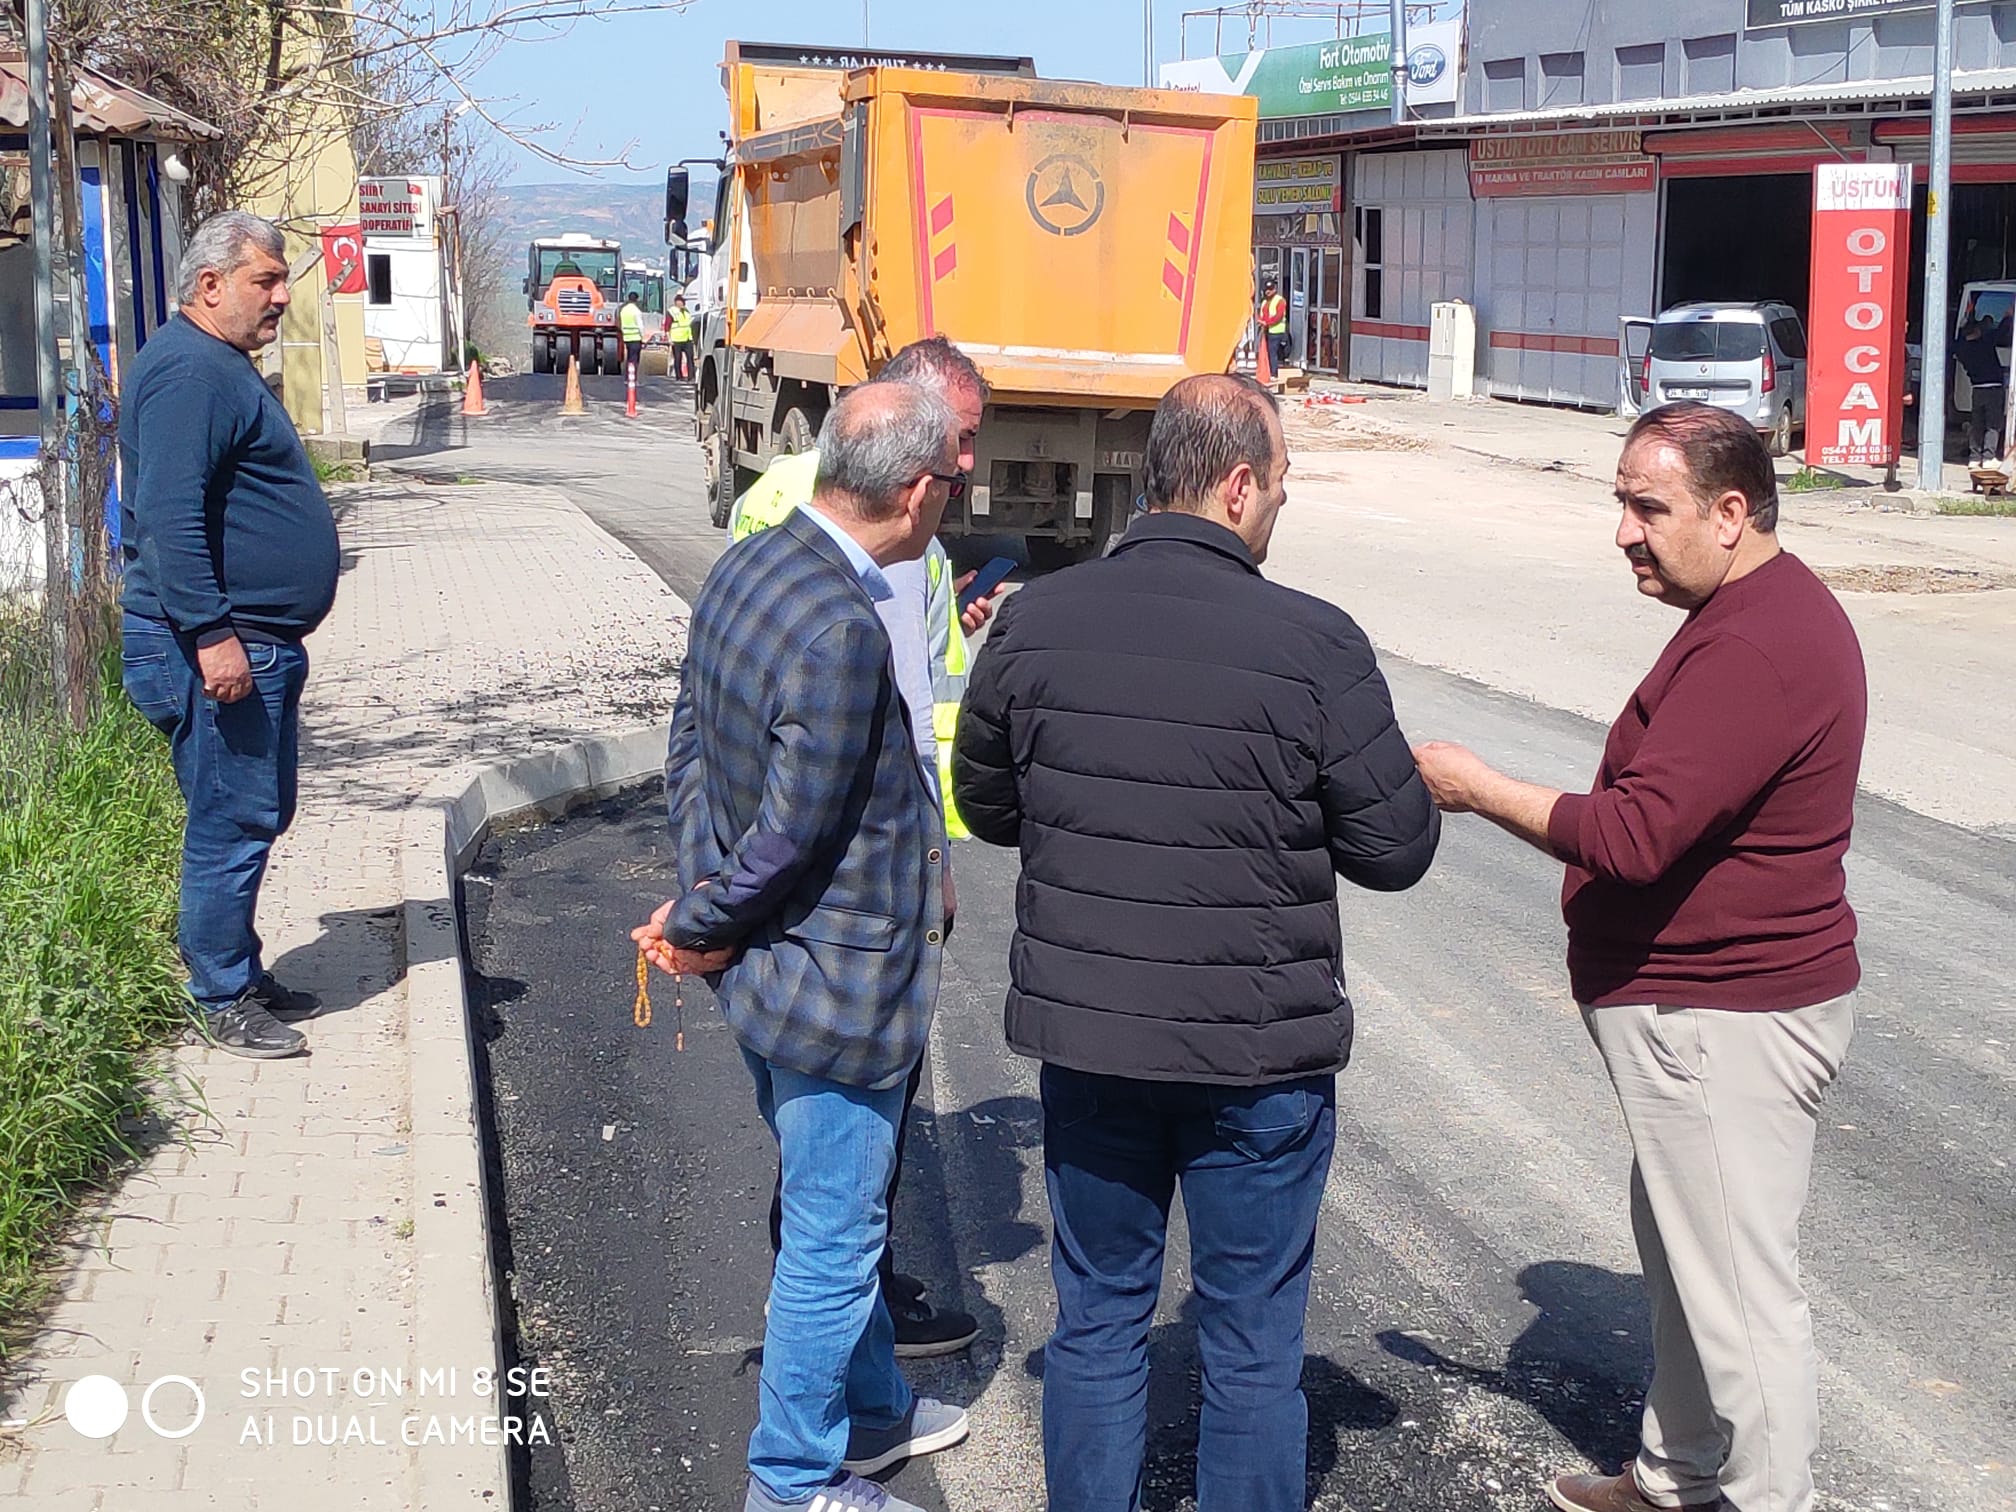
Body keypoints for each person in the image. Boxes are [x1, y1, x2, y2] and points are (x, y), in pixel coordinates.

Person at [952, 373, 1440, 1512]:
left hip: (1096, 1049)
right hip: (1256, 1067)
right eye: (1279, 487)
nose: (1280, 510)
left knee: (1100, 1323)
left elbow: (987, 805)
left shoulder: (1036, 623)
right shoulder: (1315, 643)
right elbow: (1396, 847)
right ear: (1234, 486)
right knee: (1254, 1348)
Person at [1411, 401, 1866, 1512]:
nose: (1622, 530)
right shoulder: (1754, 610)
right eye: (1619, 501)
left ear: (1730, 510)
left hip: (1724, 1018)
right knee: (1683, 1257)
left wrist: (1475, 788)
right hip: (1713, 1009)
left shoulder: (1757, 641)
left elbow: (1632, 835)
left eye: (1645, 506)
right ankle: (1680, 1477)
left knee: (1741, 1302)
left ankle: (1761, 1498)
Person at [636, 381, 973, 1512]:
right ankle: (792, 1481)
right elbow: (795, 830)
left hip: (769, 967)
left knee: (845, 1205)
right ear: (917, 493)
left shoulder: (753, 558)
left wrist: (703, 901)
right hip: (834, 985)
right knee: (834, 1239)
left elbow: (687, 743)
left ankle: (872, 1415)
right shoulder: (841, 622)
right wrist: (700, 920)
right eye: (953, 486)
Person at [728, 336, 1000, 1358]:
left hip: (835, 867)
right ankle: (840, 1326)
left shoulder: (851, 512)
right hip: (848, 885)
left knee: (829, 1126)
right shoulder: (852, 533)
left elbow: (912, 686)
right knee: (841, 1130)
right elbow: (852, 723)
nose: (969, 466)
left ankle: (853, 1323)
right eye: (961, 442)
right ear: (910, 427)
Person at [116, 210, 341, 1060]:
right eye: (266, 281)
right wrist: (212, 637)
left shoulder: (214, 365)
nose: (283, 296)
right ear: (210, 286)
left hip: (251, 639)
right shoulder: (191, 374)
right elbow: (168, 519)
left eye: (282, 279)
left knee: (251, 810)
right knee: (230, 817)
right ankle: (218, 995)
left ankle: (236, 969)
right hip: (216, 645)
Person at [1955, 315, 2006, 466]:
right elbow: (2001, 331)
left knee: (1977, 424)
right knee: (1993, 425)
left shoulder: (1962, 350)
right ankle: (1989, 457)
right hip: (1993, 389)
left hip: (1977, 389)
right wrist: (2009, 316)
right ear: (1977, 331)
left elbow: (1958, 341)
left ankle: (1975, 458)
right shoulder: (1985, 344)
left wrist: (1965, 319)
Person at [1259, 277, 1290, 370]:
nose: (1268, 292)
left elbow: (1278, 316)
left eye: (1270, 289)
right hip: (1267, 331)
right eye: (1266, 290)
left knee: (1273, 353)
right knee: (1268, 352)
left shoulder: (1280, 300)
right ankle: (1269, 372)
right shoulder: (1265, 302)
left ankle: (1274, 373)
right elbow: (1263, 314)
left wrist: (1266, 322)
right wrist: (1261, 321)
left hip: (1277, 331)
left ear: (1275, 289)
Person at [668, 292, 696, 383]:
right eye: (681, 301)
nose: (683, 303)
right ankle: (679, 376)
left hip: (687, 338)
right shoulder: (672, 312)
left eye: (683, 302)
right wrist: (670, 339)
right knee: (678, 358)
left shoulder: (686, 311)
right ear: (676, 302)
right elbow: (667, 326)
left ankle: (691, 377)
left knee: (690, 358)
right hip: (676, 339)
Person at [618, 291, 645, 384]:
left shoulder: (623, 310)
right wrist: (643, 337)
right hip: (636, 338)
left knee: (629, 359)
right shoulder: (636, 311)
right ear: (636, 300)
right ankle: (633, 379)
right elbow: (640, 326)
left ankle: (627, 378)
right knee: (635, 360)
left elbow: (621, 325)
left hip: (627, 338)